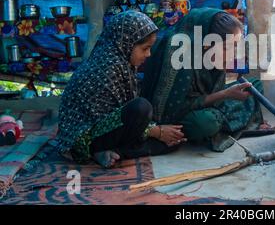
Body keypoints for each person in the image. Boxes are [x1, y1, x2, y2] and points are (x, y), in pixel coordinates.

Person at [56, 11, 185, 168]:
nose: (149, 54)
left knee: (171, 142)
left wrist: (156, 130)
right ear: (126, 43)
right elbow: (107, 122)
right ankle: (105, 152)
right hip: (82, 139)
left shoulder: (121, 61)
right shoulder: (108, 68)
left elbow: (122, 116)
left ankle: (115, 152)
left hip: (106, 130)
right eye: (145, 48)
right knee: (141, 108)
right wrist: (156, 131)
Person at [141, 8, 274, 152]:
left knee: (254, 85)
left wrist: (226, 90)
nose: (233, 55)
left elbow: (218, 86)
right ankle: (232, 121)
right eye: (227, 48)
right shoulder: (178, 53)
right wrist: (225, 94)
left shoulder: (208, 55)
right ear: (206, 44)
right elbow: (169, 111)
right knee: (205, 123)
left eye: (235, 47)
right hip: (180, 116)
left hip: (209, 105)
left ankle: (228, 120)